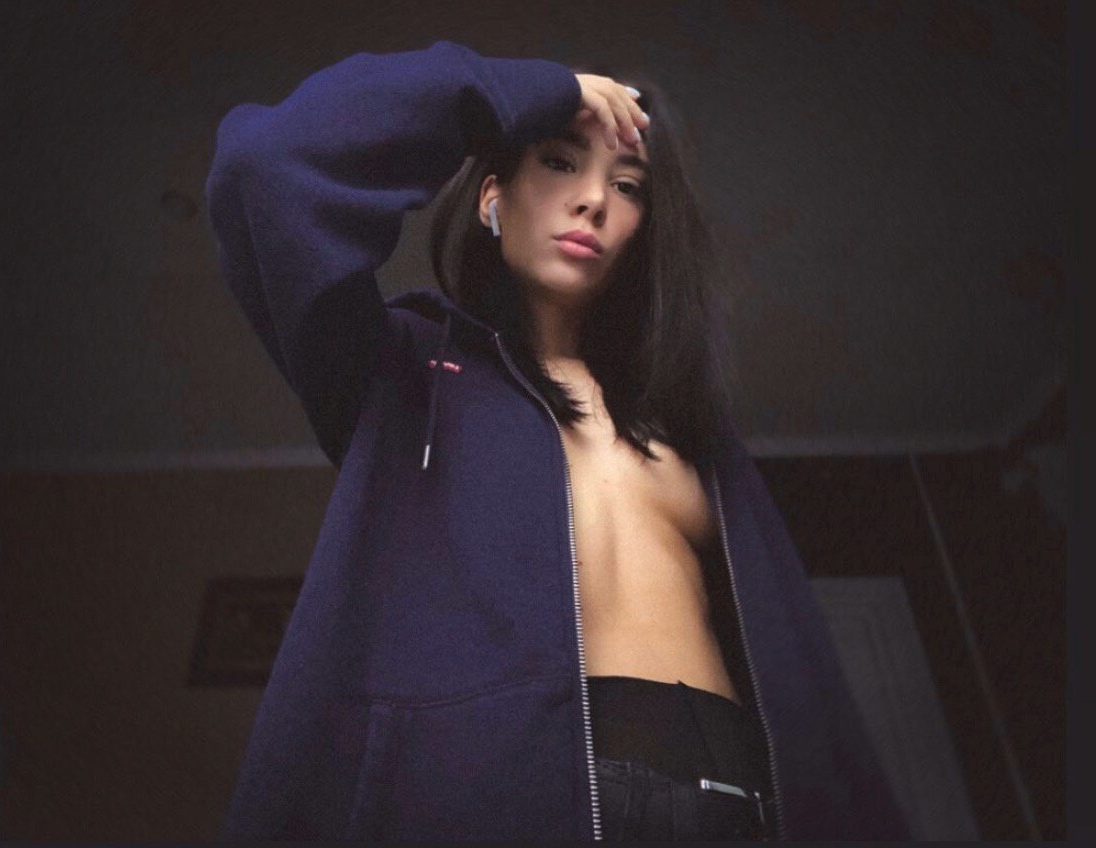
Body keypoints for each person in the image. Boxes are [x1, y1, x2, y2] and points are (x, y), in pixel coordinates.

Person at [204, 39, 911, 841]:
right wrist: (522, 94)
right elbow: (267, 167)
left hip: (734, 806)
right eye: (559, 162)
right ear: (491, 196)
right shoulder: (399, 372)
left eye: (627, 185)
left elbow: (800, 678)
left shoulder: (689, 428)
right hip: (502, 805)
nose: (593, 201)